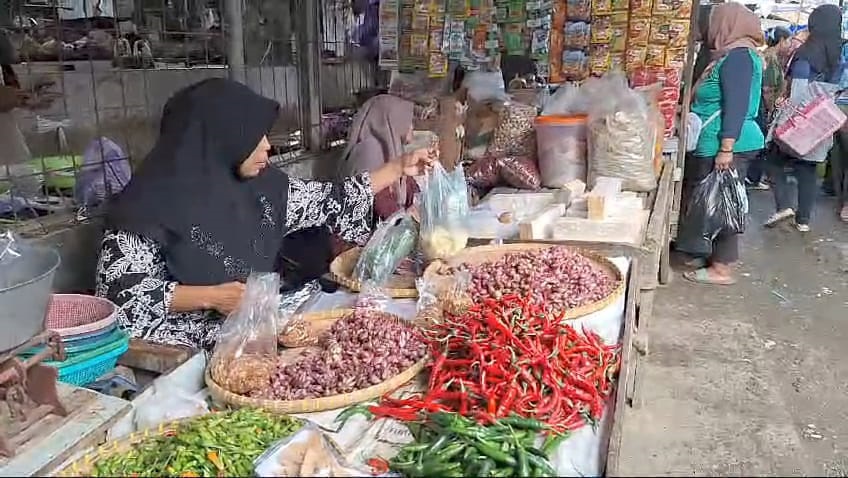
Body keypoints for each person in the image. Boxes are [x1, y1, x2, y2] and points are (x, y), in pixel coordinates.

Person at [95, 79, 434, 349]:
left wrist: (398, 167)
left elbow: (326, 199)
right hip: (188, 342)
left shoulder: (259, 186)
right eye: (253, 137)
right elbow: (122, 298)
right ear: (220, 138)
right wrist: (211, 298)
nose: (267, 146)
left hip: (251, 323)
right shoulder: (145, 209)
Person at [682, 2, 765, 286]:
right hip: (716, 141)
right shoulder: (726, 55)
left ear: (727, 24)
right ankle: (709, 255)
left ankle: (722, 267)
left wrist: (726, 148)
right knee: (710, 201)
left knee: (725, 202)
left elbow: (737, 105)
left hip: (731, 143)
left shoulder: (739, 57)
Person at [764, 4, 843, 232]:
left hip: (800, 118)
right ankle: (804, 221)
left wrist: (784, 111)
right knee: (808, 169)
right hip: (824, 121)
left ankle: (784, 206)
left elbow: (798, 91)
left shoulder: (807, 52)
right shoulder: (839, 54)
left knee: (773, 161)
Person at [332, 94, 419, 254]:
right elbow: (380, 201)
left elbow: (407, 183)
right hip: (356, 249)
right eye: (408, 121)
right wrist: (409, 220)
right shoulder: (369, 151)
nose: (411, 127)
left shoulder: (390, 147)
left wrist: (418, 202)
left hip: (379, 237)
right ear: (392, 119)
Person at [746, 26, 793, 190]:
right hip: (763, 106)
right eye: (789, 41)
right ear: (781, 41)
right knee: (761, 142)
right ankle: (753, 177)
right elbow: (767, 89)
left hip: (762, 105)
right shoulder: (770, 59)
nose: (790, 44)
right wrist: (770, 110)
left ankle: (754, 176)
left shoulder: (770, 57)